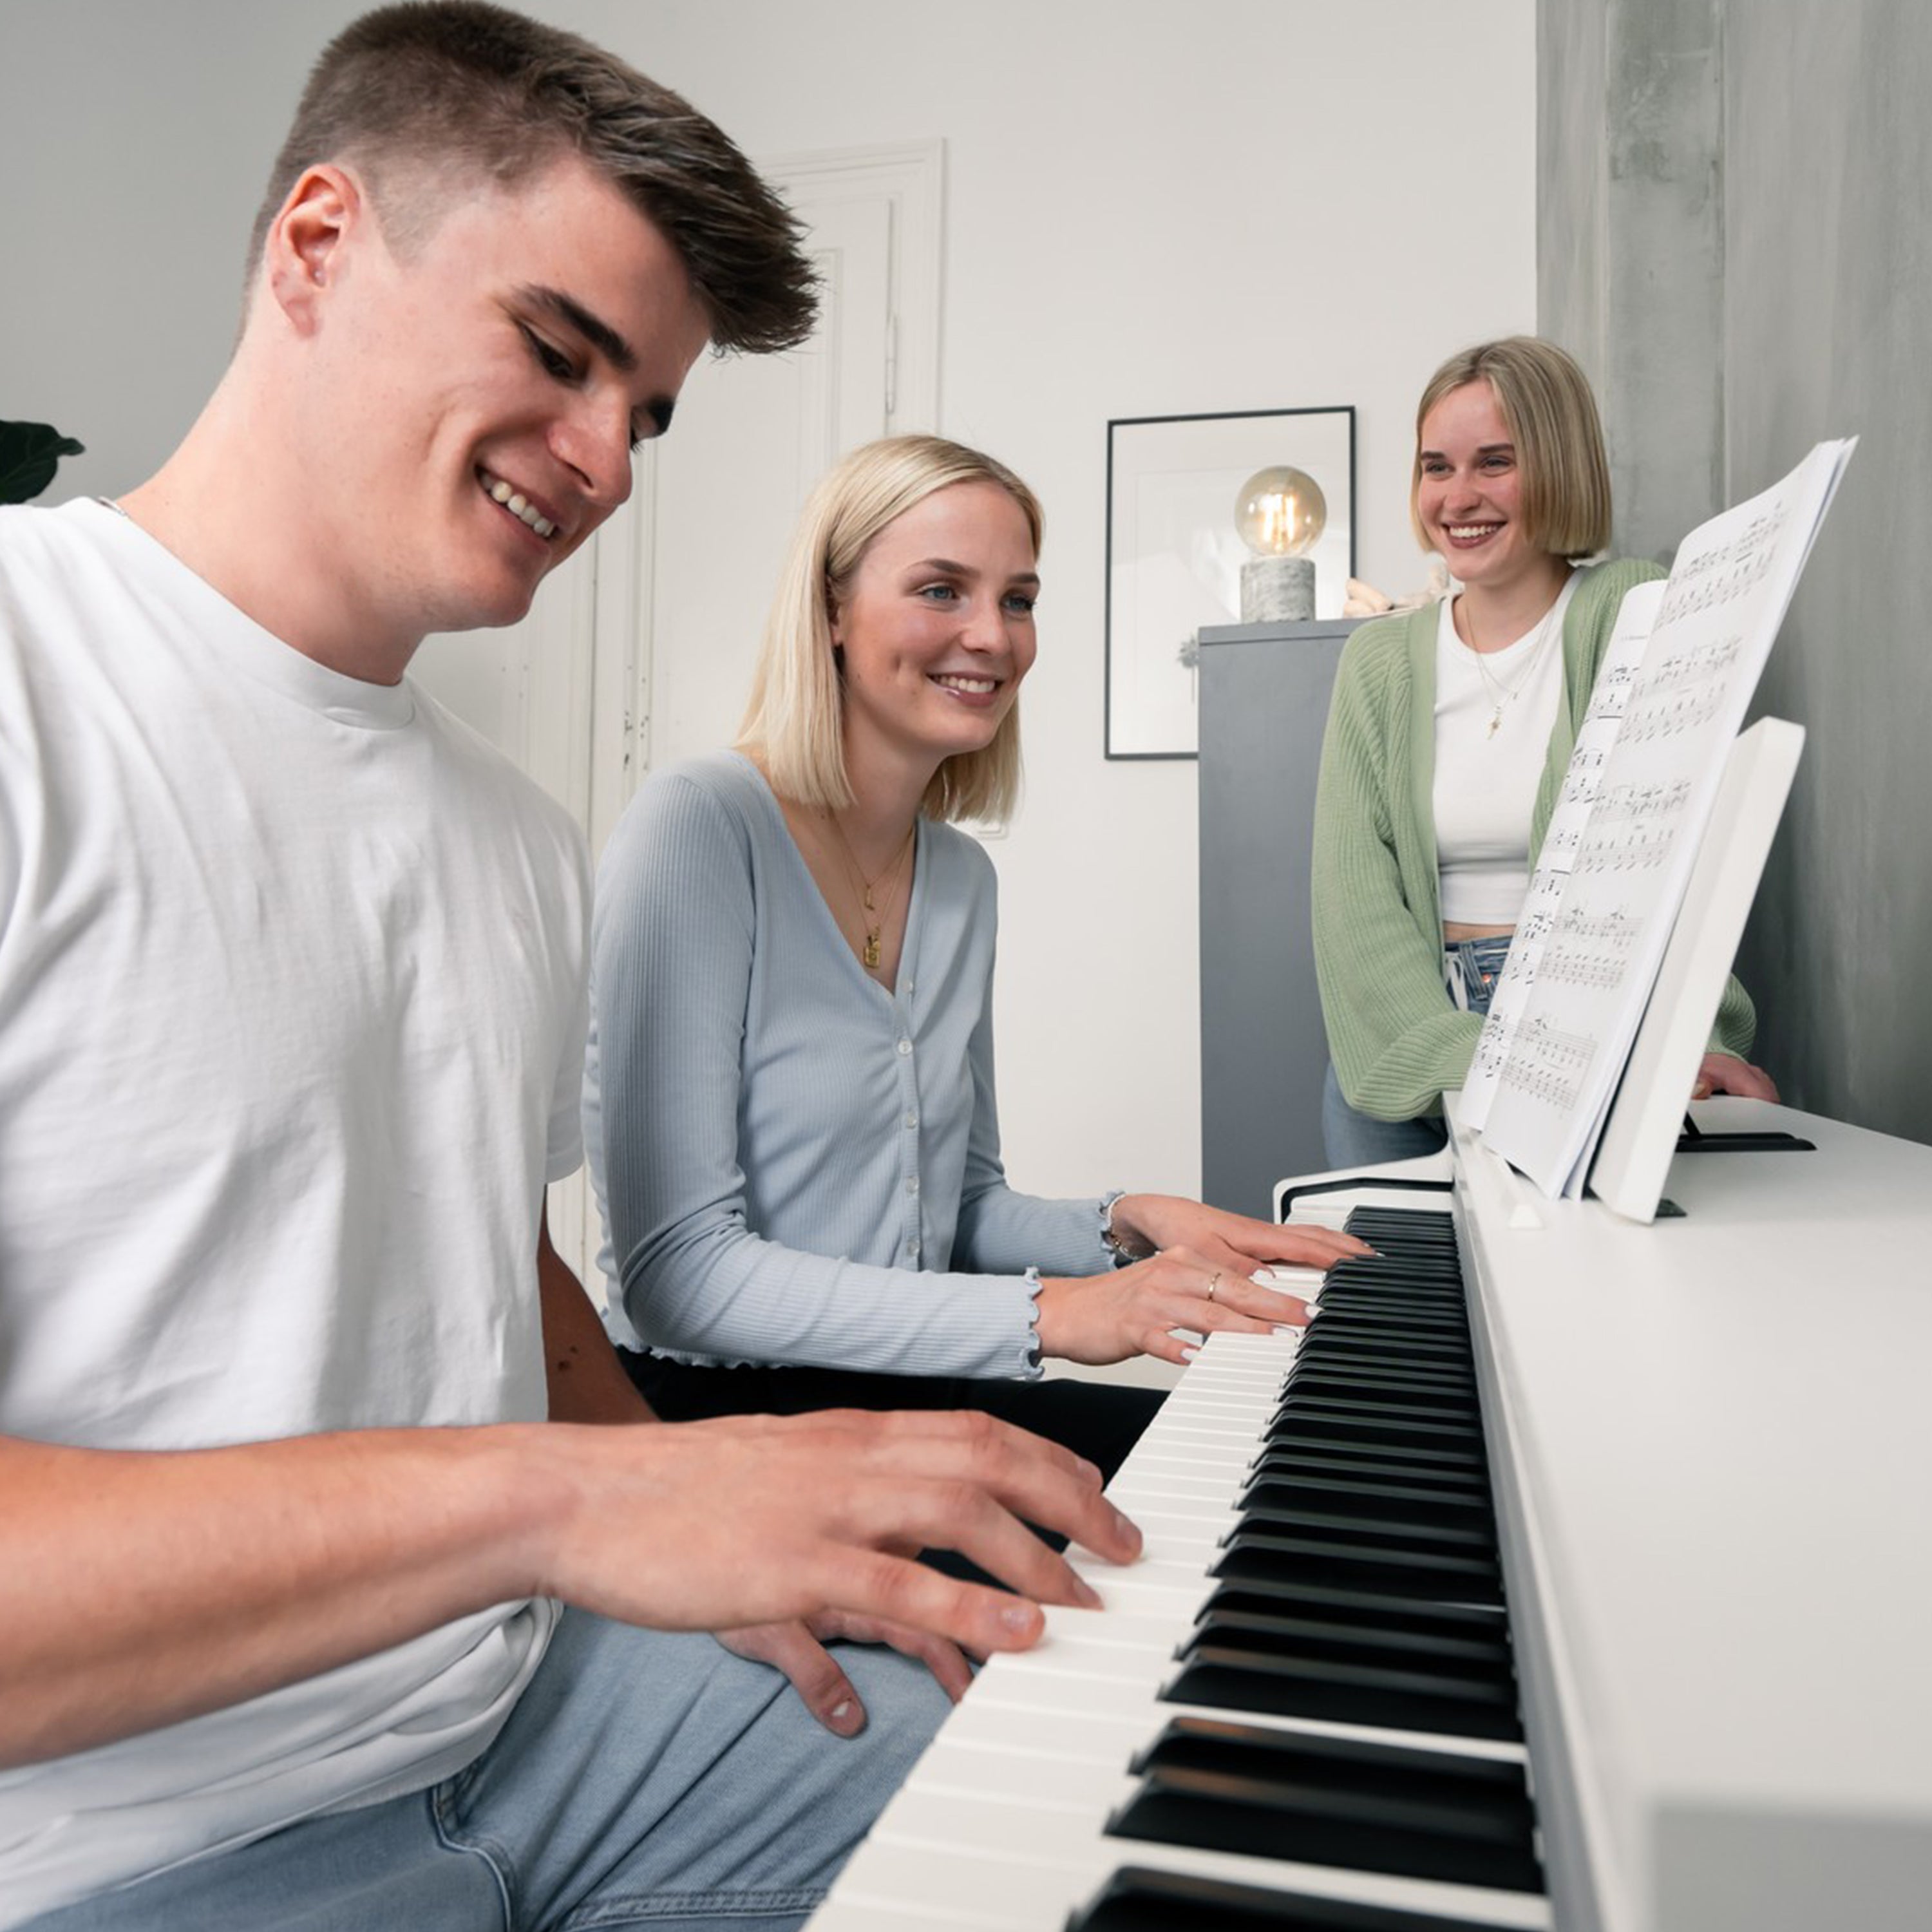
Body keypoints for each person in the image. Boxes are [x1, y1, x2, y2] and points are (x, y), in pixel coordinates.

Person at [0, 10, 1142, 1928]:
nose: (610, 460)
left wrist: (735, 1530)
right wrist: (581, 1504)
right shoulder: (35, 690)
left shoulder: (518, 835)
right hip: (133, 1853)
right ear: (317, 247)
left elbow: (500, 1280)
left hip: (548, 1715)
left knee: (1115, 1778)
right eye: (559, 352)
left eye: (654, 410)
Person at [582, 435, 1368, 1482]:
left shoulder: (959, 880)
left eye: (1019, 599)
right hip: (723, 1424)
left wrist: (1125, 1228)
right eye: (942, 590)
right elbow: (677, 1276)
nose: (992, 638)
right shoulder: (698, 827)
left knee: (1277, 1471)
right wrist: (1058, 1312)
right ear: (830, 610)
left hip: (911, 1393)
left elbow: (957, 1207)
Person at [1311, 336, 1777, 1166]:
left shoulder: (1634, 608)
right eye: (1436, 467)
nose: (1459, 498)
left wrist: (1697, 1037)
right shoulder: (1378, 661)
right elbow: (1354, 898)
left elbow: (1680, 849)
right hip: (1410, 1053)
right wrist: (1459, 1052)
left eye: (1495, 462)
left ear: (1559, 464)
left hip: (1598, 1037)